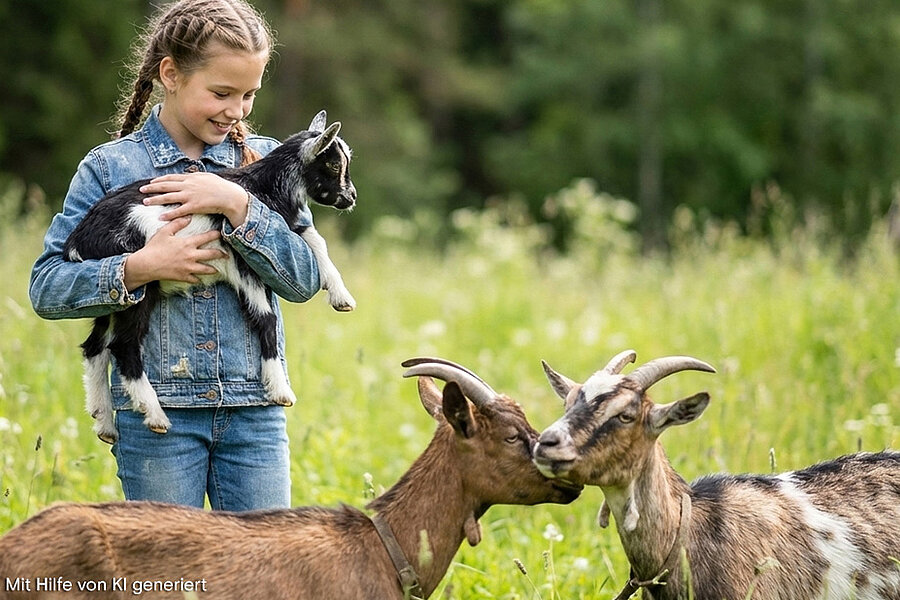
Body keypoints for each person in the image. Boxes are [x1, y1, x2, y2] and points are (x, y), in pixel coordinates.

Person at [29, 0, 320, 511]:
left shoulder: (270, 162)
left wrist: (238, 204)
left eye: (250, 95)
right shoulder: (110, 167)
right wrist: (138, 268)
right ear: (171, 74)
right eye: (222, 93)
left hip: (255, 411)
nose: (237, 111)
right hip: (160, 420)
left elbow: (303, 281)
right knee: (163, 575)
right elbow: (47, 286)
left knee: (263, 578)